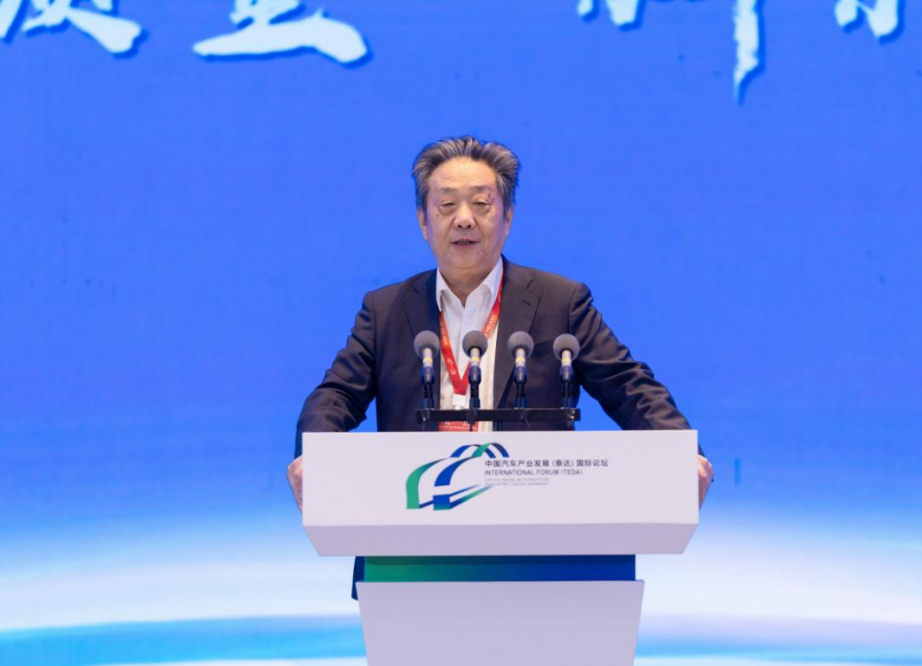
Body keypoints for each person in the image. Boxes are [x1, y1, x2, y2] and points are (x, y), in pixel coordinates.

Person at [287, 135, 713, 508]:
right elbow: (336, 396)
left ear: (507, 217)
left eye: (481, 204)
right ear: (422, 221)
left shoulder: (560, 302)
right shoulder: (386, 310)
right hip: (415, 521)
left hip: (533, 524)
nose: (464, 219)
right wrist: (317, 454)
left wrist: (680, 451)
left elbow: (628, 386)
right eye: (446, 205)